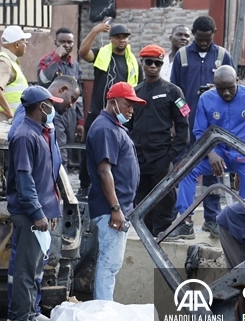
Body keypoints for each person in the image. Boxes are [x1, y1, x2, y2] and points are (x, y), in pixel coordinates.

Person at [174, 65, 245, 238]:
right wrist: (210, 153)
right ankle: (185, 222)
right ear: (214, 85)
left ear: (237, 81)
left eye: (230, 88)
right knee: (187, 170)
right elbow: (199, 131)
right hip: (219, 153)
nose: (226, 93)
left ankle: (244, 233)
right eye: (221, 89)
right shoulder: (206, 99)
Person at [5, 86, 64, 321]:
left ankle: (29, 315)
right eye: (51, 103)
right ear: (42, 107)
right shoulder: (25, 136)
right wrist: (37, 212)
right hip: (29, 213)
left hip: (37, 211)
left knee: (34, 268)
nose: (54, 108)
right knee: (25, 268)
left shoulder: (39, 133)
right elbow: (24, 180)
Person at [170, 15, 235, 235]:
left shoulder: (223, 55)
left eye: (208, 39)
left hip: (215, 128)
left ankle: (212, 218)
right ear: (194, 34)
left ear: (214, 32)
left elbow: (233, 90)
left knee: (214, 171)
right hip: (188, 127)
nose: (204, 43)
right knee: (185, 169)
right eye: (200, 39)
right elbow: (176, 93)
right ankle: (184, 220)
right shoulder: (181, 56)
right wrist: (184, 115)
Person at [85, 82, 145, 300]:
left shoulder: (113, 127)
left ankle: (104, 311)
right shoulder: (105, 129)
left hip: (117, 208)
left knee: (111, 264)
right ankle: (103, 313)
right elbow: (104, 171)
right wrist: (116, 208)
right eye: (128, 104)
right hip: (111, 209)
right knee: (109, 265)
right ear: (113, 103)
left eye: (133, 106)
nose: (131, 110)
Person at [129, 44, 190, 236]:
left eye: (157, 62)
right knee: (141, 195)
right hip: (139, 156)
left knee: (165, 195)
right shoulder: (135, 92)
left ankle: (163, 231)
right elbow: (128, 124)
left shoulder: (174, 92)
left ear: (162, 64)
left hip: (161, 155)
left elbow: (183, 125)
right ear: (142, 63)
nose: (153, 66)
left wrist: (171, 154)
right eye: (149, 62)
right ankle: (145, 232)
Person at [77, 21, 143, 194]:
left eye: (124, 37)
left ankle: (112, 186)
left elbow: (138, 88)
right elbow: (83, 52)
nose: (121, 40)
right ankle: (85, 186)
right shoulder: (102, 54)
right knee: (89, 148)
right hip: (99, 110)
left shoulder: (133, 62)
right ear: (111, 39)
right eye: (117, 37)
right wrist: (94, 31)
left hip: (121, 114)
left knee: (117, 150)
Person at [37, 28, 83, 167]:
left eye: (69, 42)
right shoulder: (46, 60)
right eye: (62, 42)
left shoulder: (75, 66)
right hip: (53, 111)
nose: (66, 45)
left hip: (70, 113)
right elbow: (43, 81)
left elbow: (79, 95)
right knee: (58, 149)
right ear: (55, 42)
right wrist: (56, 58)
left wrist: (80, 121)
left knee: (67, 150)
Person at [0, 25, 32, 122]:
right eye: (24, 42)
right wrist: (9, 112)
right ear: (17, 44)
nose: (26, 45)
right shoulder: (4, 61)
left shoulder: (10, 60)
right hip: (1, 118)